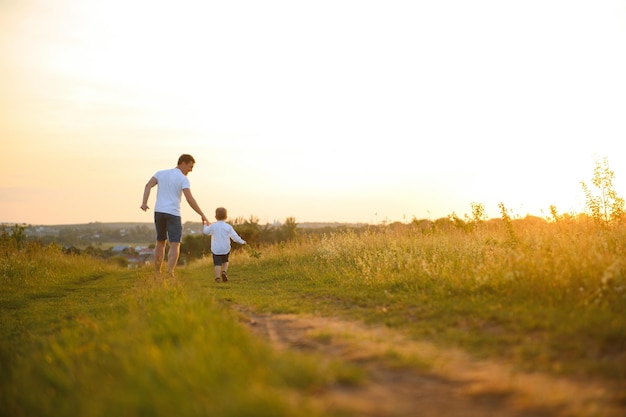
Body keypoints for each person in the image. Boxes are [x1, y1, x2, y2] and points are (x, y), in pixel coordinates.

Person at [140, 154, 209, 277]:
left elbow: (148, 185)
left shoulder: (160, 173)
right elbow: (189, 199)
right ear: (182, 163)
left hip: (159, 212)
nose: (191, 170)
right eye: (190, 167)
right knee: (175, 243)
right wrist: (202, 214)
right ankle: (170, 272)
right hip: (173, 213)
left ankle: (157, 272)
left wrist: (144, 203)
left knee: (160, 242)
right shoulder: (183, 179)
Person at [203, 207, 246, 283]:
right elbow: (234, 237)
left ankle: (217, 278)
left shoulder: (213, 226)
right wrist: (242, 241)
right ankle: (224, 271)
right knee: (225, 261)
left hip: (216, 249)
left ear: (215, 217)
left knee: (217, 263)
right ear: (226, 217)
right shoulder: (228, 227)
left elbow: (206, 232)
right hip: (225, 248)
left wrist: (205, 225)